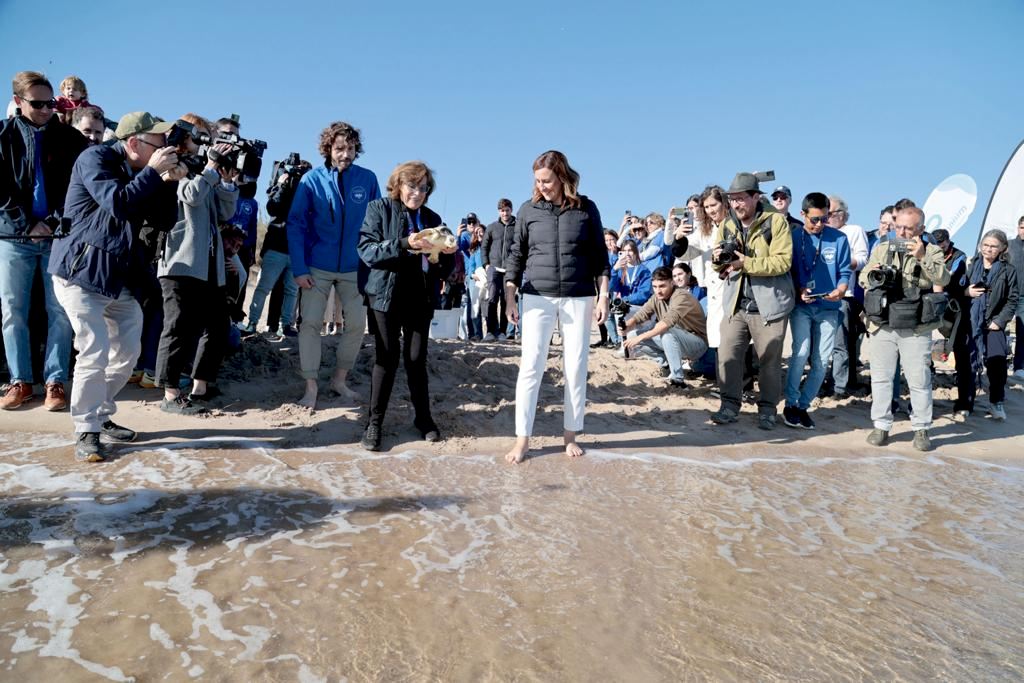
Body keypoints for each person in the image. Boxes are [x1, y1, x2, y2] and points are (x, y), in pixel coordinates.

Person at [49, 111, 179, 461]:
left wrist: (168, 182)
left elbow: (165, 220)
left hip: (118, 277)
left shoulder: (143, 172)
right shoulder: (95, 158)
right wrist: (153, 172)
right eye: (159, 143)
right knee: (93, 350)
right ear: (133, 142)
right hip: (80, 272)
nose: (165, 149)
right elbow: (118, 203)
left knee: (127, 354)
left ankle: (99, 414)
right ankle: (86, 429)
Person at [503, 150, 610, 464]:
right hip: (537, 296)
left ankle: (570, 435)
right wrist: (509, 296)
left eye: (547, 180)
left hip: (579, 296)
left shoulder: (586, 208)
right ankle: (522, 439)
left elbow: (600, 256)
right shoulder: (528, 210)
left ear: (562, 177)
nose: (542, 186)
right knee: (531, 366)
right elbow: (516, 256)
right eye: (537, 181)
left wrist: (603, 295)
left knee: (575, 367)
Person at [0, 71, 87, 411]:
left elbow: (77, 188)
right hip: (13, 236)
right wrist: (26, 223)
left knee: (60, 310)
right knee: (13, 311)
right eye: (38, 104)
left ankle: (55, 382)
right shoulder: (2, 136)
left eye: (51, 103)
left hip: (58, 237)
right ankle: (20, 381)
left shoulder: (71, 139)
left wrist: (51, 222)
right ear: (18, 101)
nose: (46, 110)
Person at [356, 161, 456, 451]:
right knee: (386, 358)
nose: (417, 193)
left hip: (420, 298)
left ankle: (423, 419)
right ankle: (374, 424)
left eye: (423, 188)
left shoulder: (433, 218)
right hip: (384, 296)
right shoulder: (379, 208)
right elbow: (367, 251)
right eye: (412, 186)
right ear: (399, 185)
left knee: (416, 359)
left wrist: (448, 254)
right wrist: (405, 243)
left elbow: (442, 268)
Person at [287, 121, 381, 408]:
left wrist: (373, 263)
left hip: (355, 267)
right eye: (340, 148)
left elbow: (377, 225)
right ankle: (311, 386)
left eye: (351, 149)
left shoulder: (368, 179)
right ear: (328, 148)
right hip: (317, 266)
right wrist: (299, 268)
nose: (346, 154)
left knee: (357, 325)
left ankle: (340, 380)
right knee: (310, 324)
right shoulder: (311, 180)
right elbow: (296, 224)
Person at [154, 113, 239, 414]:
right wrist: (211, 169)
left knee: (218, 325)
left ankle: (200, 386)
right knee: (177, 327)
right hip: (180, 261)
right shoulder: (171, 163)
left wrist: (226, 182)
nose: (207, 143)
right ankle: (169, 394)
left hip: (208, 263)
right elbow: (190, 195)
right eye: (201, 137)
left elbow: (224, 214)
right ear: (185, 137)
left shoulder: (205, 169)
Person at [860, 206, 950, 452]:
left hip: (916, 325)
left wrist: (922, 257)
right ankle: (881, 425)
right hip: (884, 323)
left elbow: (942, 279)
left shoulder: (932, 250)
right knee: (881, 377)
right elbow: (864, 275)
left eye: (908, 228)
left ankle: (921, 428)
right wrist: (874, 274)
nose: (901, 232)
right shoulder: (883, 247)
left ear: (921, 229)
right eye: (898, 226)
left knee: (919, 379)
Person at [709, 172, 795, 430]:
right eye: (732, 199)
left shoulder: (776, 222)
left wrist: (746, 263)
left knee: (768, 362)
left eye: (741, 198)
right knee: (727, 356)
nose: (736, 204)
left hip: (769, 305)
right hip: (736, 303)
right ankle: (729, 405)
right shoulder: (727, 224)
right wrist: (717, 260)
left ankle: (767, 410)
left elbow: (782, 262)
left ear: (756, 197)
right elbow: (719, 265)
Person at [781, 192, 852, 430]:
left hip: (829, 307)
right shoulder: (793, 237)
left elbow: (844, 272)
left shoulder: (839, 238)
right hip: (802, 306)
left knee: (822, 360)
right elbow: (788, 271)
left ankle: (803, 406)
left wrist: (841, 289)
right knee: (800, 353)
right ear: (803, 214)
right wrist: (799, 288)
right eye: (814, 219)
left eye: (824, 219)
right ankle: (790, 404)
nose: (819, 224)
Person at [243, 159, 310, 336]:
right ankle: (252, 322)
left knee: (291, 290)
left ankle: (285, 325)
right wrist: (281, 185)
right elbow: (272, 208)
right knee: (264, 288)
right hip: (276, 247)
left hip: (296, 251)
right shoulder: (281, 188)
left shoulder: (308, 194)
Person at [622, 266, 708, 387]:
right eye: (655, 287)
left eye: (662, 286)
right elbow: (642, 314)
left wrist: (640, 338)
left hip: (697, 343)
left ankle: (677, 380)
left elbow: (666, 324)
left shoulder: (681, 296)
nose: (658, 291)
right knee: (632, 335)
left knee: (666, 333)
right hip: (675, 339)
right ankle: (666, 364)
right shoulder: (656, 297)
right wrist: (626, 326)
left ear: (672, 283)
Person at [964, 230, 1019, 421]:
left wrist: (1000, 320)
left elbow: (1012, 299)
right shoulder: (971, 265)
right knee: (969, 363)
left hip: (994, 322)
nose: (988, 249)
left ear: (1002, 248)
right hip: (971, 321)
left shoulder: (1008, 270)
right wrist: (965, 292)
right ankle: (966, 403)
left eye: (994, 246)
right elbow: (957, 288)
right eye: (985, 245)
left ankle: (996, 402)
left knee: (997, 363)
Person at [823, 194, 870, 397]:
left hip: (843, 294)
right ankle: (823, 380)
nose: (826, 218)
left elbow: (863, 259)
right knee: (821, 343)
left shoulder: (854, 231)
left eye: (830, 213)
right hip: (820, 294)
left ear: (842, 214)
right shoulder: (821, 231)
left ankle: (839, 386)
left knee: (840, 343)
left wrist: (840, 262)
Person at [932, 228, 972, 419]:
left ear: (948, 241)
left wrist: (939, 279)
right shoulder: (926, 253)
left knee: (962, 355)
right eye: (936, 243)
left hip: (954, 310)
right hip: (930, 308)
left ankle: (964, 402)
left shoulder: (959, 256)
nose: (940, 246)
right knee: (923, 355)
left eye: (943, 242)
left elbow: (952, 279)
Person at [482, 199, 517, 340]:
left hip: (509, 269)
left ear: (511, 210)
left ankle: (503, 332)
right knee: (492, 298)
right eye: (502, 211)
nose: (505, 213)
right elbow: (484, 246)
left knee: (506, 300)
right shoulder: (492, 227)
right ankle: (490, 332)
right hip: (494, 268)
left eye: (507, 210)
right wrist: (486, 264)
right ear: (499, 212)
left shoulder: (517, 227)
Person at [611, 239, 653, 308]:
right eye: (624, 251)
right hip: (621, 306)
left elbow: (643, 294)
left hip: (638, 308)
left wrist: (625, 300)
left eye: (630, 250)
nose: (627, 254)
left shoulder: (644, 271)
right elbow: (612, 288)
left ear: (636, 252)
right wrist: (614, 269)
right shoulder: (619, 270)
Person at [1007, 216, 1024, 382]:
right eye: (1022, 227)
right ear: (1018, 228)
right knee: (997, 327)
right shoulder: (1009, 246)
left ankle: (1019, 367)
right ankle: (989, 360)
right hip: (1007, 294)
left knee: (1022, 332)